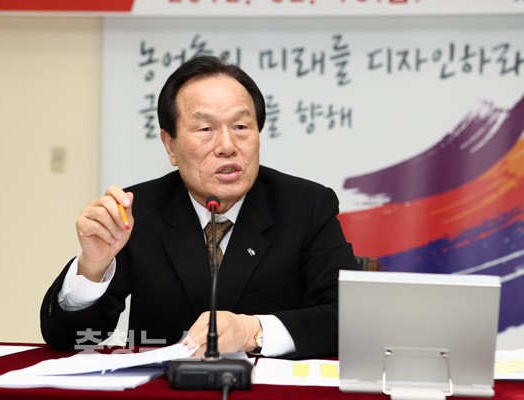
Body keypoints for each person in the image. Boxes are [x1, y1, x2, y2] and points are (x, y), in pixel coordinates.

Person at [40, 55, 359, 359]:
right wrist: (93, 268)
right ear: (170, 145)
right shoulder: (138, 212)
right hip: (162, 386)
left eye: (241, 127)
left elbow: (351, 318)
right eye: (205, 129)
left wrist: (253, 330)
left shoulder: (306, 207)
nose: (227, 146)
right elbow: (68, 338)